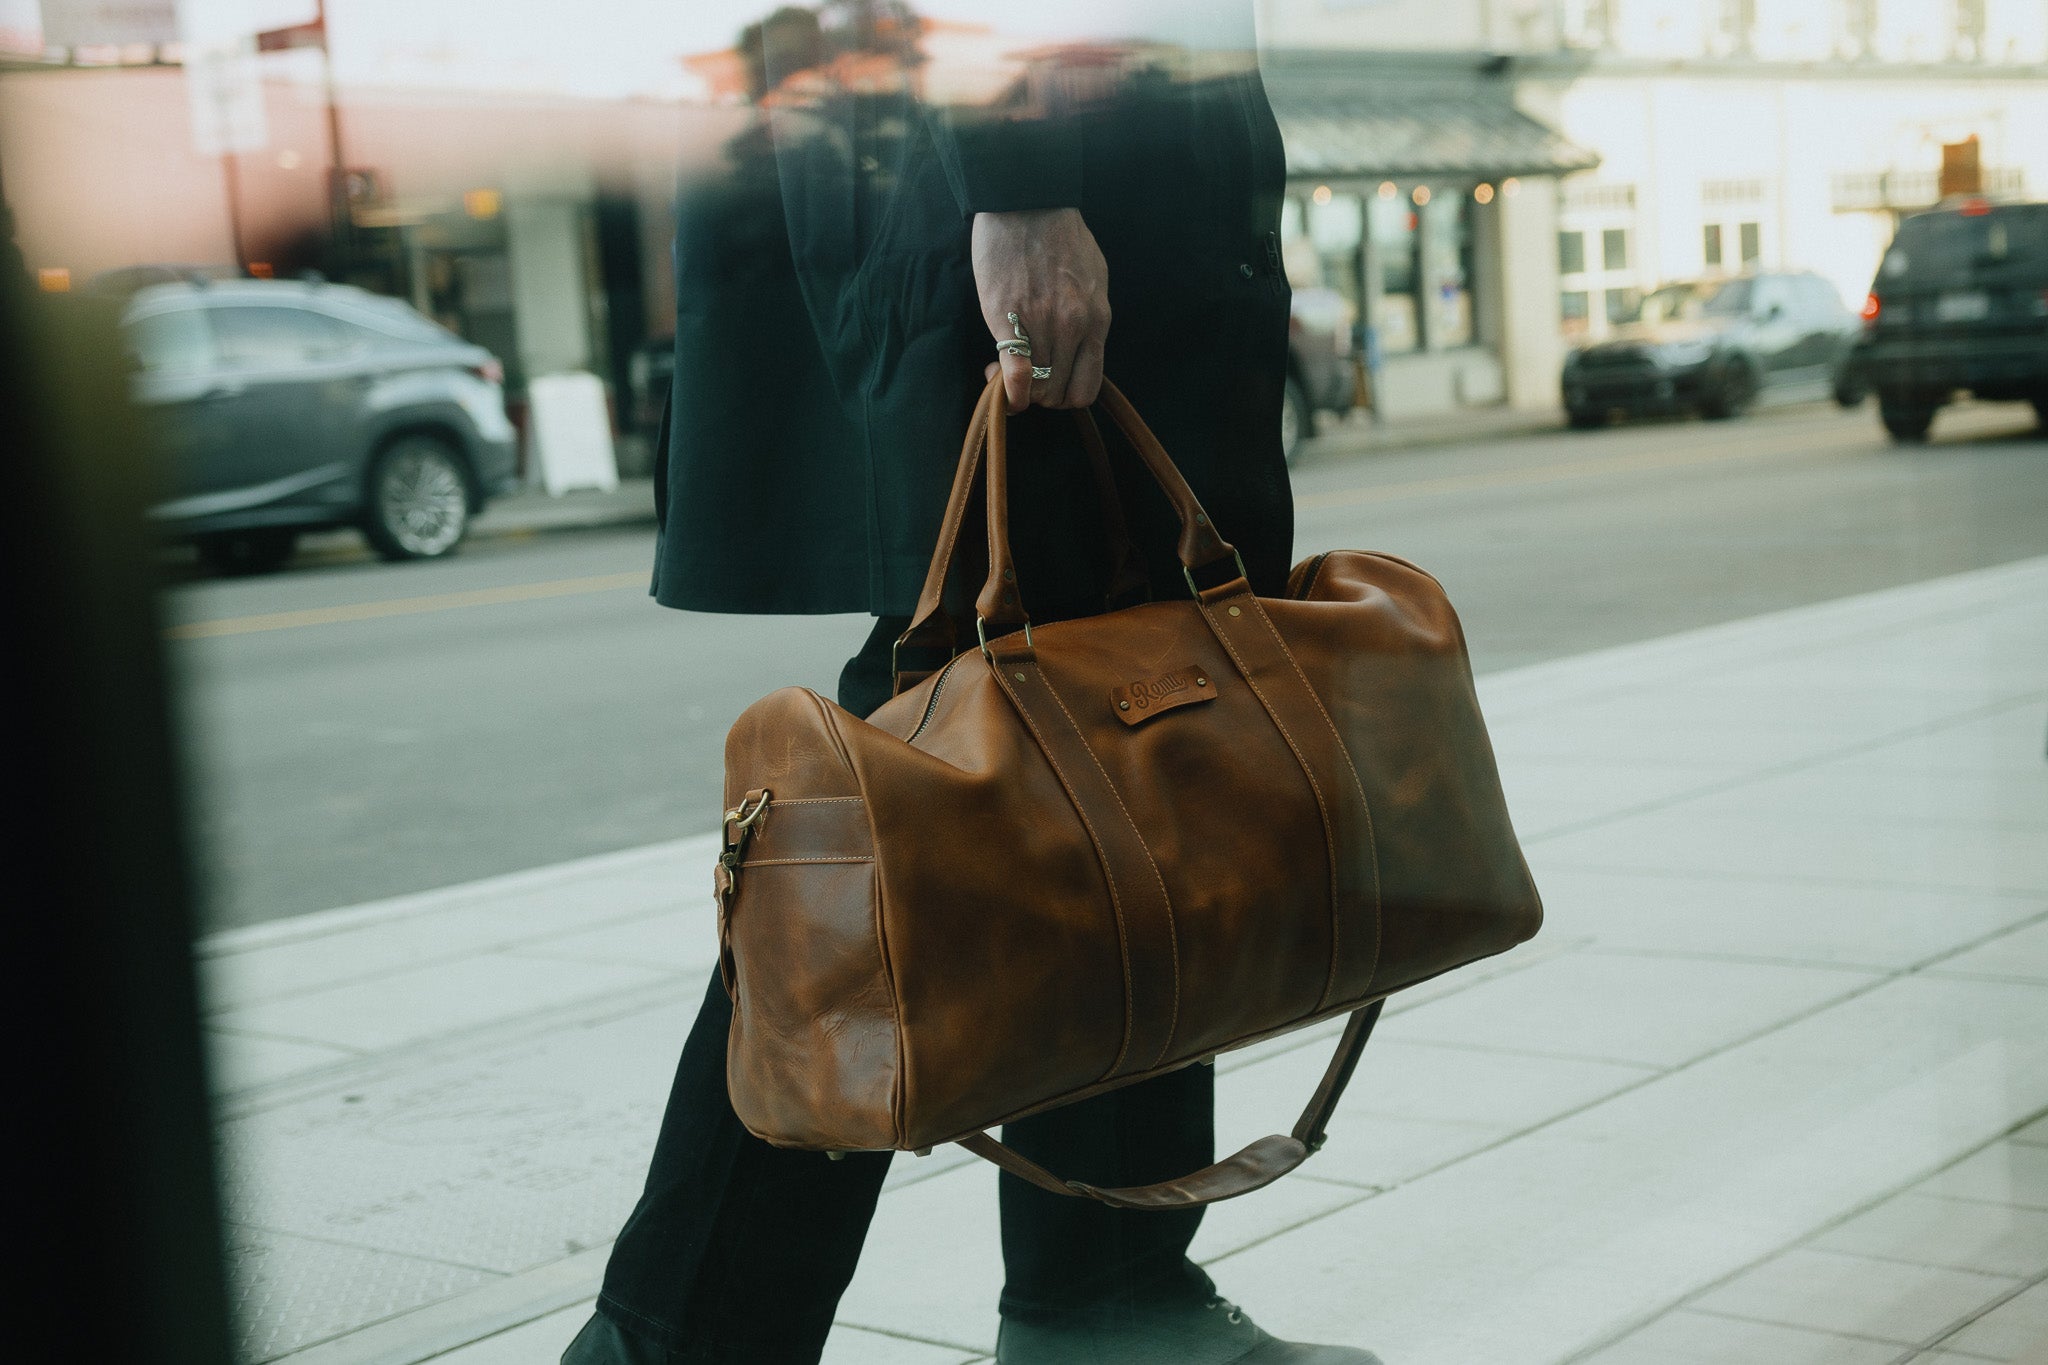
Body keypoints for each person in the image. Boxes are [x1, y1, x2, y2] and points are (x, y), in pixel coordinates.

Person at [564, 5, 1382, 1362]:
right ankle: (687, 1334)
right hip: (1022, 167)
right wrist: (1017, 177)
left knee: (1116, 714)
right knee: (922, 768)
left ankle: (1103, 1291)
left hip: (1087, 152)